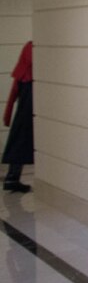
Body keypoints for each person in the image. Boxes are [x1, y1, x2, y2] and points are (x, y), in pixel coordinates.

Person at [3, 40, 33, 193]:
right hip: (29, 92)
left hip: (26, 91)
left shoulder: (29, 46)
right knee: (22, 136)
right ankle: (12, 177)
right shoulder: (33, 47)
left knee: (21, 135)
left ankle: (12, 177)